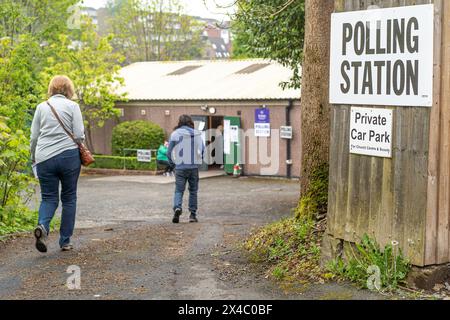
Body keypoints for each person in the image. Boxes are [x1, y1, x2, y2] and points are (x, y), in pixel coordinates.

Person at [30, 75, 85, 253]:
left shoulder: (41, 107)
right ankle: (65, 241)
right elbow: (78, 135)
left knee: (48, 197)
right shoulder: (73, 106)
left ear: (51, 89)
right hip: (69, 157)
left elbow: (34, 137)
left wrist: (33, 157)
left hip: (44, 157)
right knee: (69, 198)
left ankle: (43, 227)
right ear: (69, 89)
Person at [167, 115, 204, 223]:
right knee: (193, 191)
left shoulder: (175, 133)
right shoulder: (196, 134)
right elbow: (202, 149)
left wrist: (172, 165)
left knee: (179, 190)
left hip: (180, 167)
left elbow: (169, 152)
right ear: (190, 122)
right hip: (193, 167)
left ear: (180, 122)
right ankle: (192, 215)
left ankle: (177, 208)